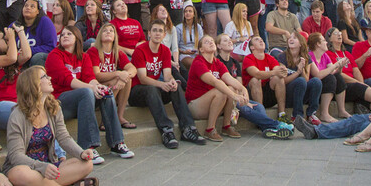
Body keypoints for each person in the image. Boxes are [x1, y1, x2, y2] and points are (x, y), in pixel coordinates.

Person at [3, 67, 99, 186]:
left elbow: (64, 137)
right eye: (44, 77)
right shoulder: (17, 115)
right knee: (18, 174)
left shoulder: (53, 107)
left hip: (50, 166)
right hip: (28, 168)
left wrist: (81, 152)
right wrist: (41, 167)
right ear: (34, 84)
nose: (50, 79)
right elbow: (15, 156)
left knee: (87, 164)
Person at [46, 27, 133, 161]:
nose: (64, 36)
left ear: (77, 38)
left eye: (69, 34)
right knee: (87, 91)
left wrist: (98, 87)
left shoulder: (84, 56)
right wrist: (91, 88)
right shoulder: (55, 55)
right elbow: (68, 80)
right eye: (62, 34)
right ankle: (88, 146)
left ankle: (117, 143)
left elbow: (90, 78)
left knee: (105, 91)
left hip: (82, 101)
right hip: (60, 101)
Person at [131, 18, 205, 148]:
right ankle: (166, 130)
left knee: (175, 87)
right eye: (154, 31)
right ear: (149, 33)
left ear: (165, 35)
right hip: (137, 92)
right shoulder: (140, 50)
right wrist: (161, 84)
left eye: (160, 31)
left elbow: (167, 75)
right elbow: (142, 79)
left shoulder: (165, 50)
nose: (157, 33)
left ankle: (188, 128)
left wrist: (171, 82)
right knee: (151, 89)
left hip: (155, 91)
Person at [213, 34, 293, 140]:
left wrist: (244, 98)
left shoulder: (235, 62)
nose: (230, 42)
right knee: (246, 104)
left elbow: (239, 84)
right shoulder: (217, 62)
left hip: (239, 96)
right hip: (226, 98)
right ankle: (276, 125)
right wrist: (241, 98)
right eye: (225, 41)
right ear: (218, 46)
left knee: (258, 107)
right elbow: (256, 75)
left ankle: (268, 128)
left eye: (230, 40)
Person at [185, 35, 249, 142]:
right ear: (201, 49)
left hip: (212, 103)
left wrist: (243, 90)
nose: (211, 42)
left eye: (212, 41)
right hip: (195, 105)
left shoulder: (217, 62)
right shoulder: (198, 62)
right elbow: (214, 82)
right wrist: (234, 96)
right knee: (221, 90)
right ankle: (209, 129)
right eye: (206, 42)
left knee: (232, 88)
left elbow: (230, 79)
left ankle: (226, 126)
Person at [86, 22, 137, 133]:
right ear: (100, 35)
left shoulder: (117, 52)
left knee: (127, 79)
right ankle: (106, 117)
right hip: (96, 87)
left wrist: (125, 76)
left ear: (115, 37)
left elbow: (133, 69)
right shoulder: (93, 51)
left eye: (111, 31)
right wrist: (118, 74)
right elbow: (97, 75)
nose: (108, 32)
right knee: (118, 78)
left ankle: (119, 116)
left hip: (112, 87)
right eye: (105, 31)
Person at [274, 31, 322, 124]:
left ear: (301, 43)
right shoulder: (282, 56)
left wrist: (302, 69)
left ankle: (311, 113)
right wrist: (297, 72)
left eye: (294, 38)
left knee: (316, 81)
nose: (291, 39)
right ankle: (296, 115)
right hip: (288, 93)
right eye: (290, 38)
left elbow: (306, 79)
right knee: (300, 81)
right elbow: (283, 81)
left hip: (302, 92)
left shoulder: (306, 57)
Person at [17, 0, 57, 68]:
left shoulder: (45, 22)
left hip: (37, 59)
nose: (28, 8)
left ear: (38, 11)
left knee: (37, 57)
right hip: (19, 58)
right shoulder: (16, 24)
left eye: (32, 6)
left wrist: (28, 50)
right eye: (26, 6)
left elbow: (50, 47)